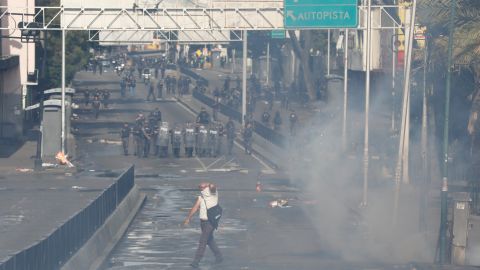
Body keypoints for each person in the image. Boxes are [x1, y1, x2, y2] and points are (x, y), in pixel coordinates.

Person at [183, 182, 223, 268]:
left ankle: (196, 261)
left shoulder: (213, 193)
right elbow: (195, 207)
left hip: (210, 222)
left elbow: (213, 185)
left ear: (207, 187)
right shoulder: (201, 197)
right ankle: (219, 257)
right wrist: (188, 218)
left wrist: (208, 184)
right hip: (203, 223)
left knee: (203, 241)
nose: (201, 188)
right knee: (210, 240)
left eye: (203, 187)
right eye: (200, 187)